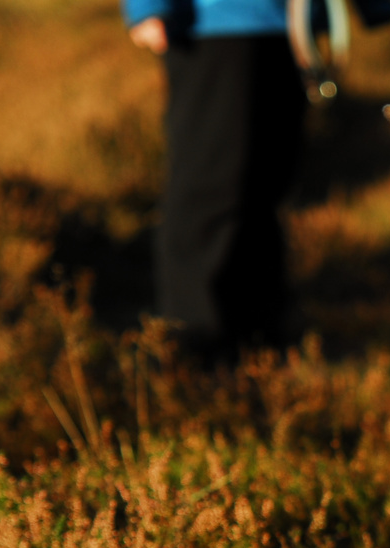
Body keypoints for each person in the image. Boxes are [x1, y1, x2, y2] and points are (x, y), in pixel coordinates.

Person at [124, 0, 306, 362]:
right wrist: (146, 7)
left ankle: (261, 344)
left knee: (264, 188)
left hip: (289, 29)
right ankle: (194, 344)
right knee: (208, 186)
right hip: (211, 25)